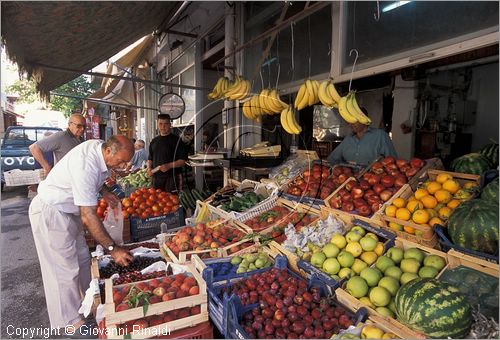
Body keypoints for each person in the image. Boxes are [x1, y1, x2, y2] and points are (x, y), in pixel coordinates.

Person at [28, 135, 134, 338]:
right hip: (52, 212)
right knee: (63, 269)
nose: (123, 165)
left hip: (68, 211)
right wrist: (113, 249)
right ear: (108, 151)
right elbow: (88, 216)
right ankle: (71, 322)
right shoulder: (86, 165)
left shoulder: (96, 148)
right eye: (121, 161)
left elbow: (95, 178)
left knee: (83, 259)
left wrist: (103, 191)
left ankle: (89, 304)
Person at [327, 109, 397, 166]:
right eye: (350, 121)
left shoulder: (380, 135)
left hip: (373, 180)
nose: (351, 124)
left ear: (364, 119)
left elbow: (393, 161)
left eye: (354, 121)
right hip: (348, 179)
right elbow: (332, 159)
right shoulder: (348, 139)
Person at [147, 114, 188, 193]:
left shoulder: (177, 141)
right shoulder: (154, 141)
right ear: (157, 125)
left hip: (172, 178)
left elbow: (183, 161)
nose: (163, 127)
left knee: (173, 201)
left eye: (166, 124)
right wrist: (149, 168)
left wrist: (168, 166)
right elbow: (150, 159)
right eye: (160, 124)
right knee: (156, 201)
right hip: (157, 179)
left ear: (170, 125)